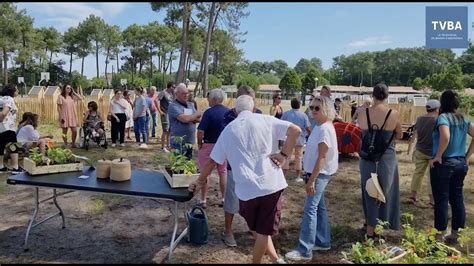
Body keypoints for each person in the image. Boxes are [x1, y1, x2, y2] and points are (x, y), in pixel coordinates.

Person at [189, 95, 301, 264]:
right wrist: (284, 155)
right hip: (271, 184)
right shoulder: (266, 120)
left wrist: (199, 181)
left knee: (259, 230)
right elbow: (296, 130)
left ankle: (275, 259)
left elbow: (213, 161)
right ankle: (271, 259)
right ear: (254, 107)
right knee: (262, 231)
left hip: (247, 189)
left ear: (235, 110)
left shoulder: (229, 130)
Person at [285, 96, 338, 261]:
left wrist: (312, 180)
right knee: (319, 208)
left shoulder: (324, 129)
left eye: (317, 108)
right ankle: (323, 241)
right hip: (317, 174)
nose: (313, 111)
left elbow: (322, 157)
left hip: (319, 175)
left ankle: (305, 249)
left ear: (326, 110)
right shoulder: (320, 126)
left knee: (310, 209)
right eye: (311, 107)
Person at [219, 85, 264, 247]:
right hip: (234, 167)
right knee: (232, 200)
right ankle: (228, 232)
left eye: (250, 100)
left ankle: (252, 227)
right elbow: (228, 140)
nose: (247, 103)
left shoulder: (259, 114)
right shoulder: (228, 116)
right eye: (244, 100)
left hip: (254, 167)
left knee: (254, 200)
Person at [358, 83, 403, 239]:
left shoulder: (362, 113)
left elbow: (361, 134)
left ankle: (368, 226)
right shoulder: (393, 113)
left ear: (373, 95)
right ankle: (377, 229)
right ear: (387, 95)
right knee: (384, 191)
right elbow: (400, 135)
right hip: (386, 158)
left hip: (367, 158)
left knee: (369, 190)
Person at [429, 90, 474, 244]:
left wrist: (438, 156)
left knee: (441, 200)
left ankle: (440, 236)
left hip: (444, 164)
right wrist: (467, 157)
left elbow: (445, 136)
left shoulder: (443, 117)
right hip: (460, 163)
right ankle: (456, 235)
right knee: (457, 199)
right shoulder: (464, 118)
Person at [197, 89, 230, 209]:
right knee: (223, 172)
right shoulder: (229, 112)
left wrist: (199, 143)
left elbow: (200, 131)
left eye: (209, 98)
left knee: (205, 172)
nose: (208, 100)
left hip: (209, 145)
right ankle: (224, 198)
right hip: (224, 146)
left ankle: (203, 200)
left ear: (215, 99)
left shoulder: (209, 112)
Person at [407, 99, 440, 206]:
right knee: (432, 177)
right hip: (433, 152)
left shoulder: (420, 119)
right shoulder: (438, 120)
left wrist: (410, 149)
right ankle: (432, 200)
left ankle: (413, 195)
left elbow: (415, 134)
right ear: (437, 109)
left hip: (420, 150)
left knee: (418, 173)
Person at [168, 83, 202, 159]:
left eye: (187, 93)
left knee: (187, 166)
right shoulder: (173, 106)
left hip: (189, 141)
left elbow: (199, 119)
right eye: (183, 93)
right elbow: (185, 119)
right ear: (177, 94)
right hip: (178, 142)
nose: (186, 95)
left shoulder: (191, 104)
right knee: (178, 167)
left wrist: (192, 117)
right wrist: (195, 115)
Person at [281, 98, 312, 182]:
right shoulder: (303, 115)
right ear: (299, 104)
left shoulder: (286, 114)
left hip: (289, 137)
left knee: (286, 156)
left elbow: (281, 125)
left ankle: (283, 176)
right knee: (299, 157)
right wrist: (311, 136)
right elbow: (308, 128)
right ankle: (298, 176)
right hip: (300, 138)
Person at [0, 84, 23, 174]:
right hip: (8, 127)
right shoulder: (9, 99)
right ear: (11, 91)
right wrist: (1, 118)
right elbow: (5, 112)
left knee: (1, 146)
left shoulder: (1, 98)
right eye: (16, 90)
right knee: (14, 146)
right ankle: (15, 167)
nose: (17, 91)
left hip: (1, 127)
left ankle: (1, 167)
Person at [157, 82, 175, 153]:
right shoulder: (163, 92)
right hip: (165, 114)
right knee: (165, 130)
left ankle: (168, 145)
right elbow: (156, 100)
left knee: (170, 130)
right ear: (170, 87)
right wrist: (160, 111)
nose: (174, 88)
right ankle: (162, 147)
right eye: (173, 87)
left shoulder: (172, 94)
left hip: (171, 114)